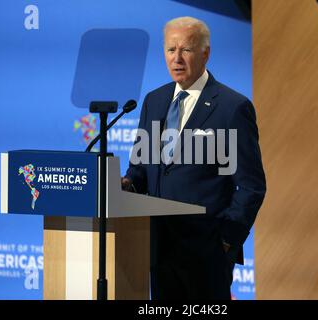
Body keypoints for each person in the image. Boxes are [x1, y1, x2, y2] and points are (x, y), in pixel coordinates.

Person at [122, 16, 266, 300]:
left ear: (205, 53)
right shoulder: (155, 100)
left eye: (186, 49)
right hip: (159, 248)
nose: (177, 58)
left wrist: (225, 241)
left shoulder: (231, 107)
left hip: (207, 253)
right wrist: (122, 186)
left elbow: (251, 186)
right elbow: (140, 170)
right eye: (170, 49)